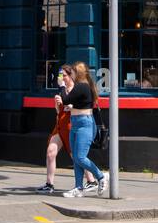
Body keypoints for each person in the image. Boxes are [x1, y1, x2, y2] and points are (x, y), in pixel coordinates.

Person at [37, 64, 97, 195]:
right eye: (60, 75)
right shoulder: (63, 90)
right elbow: (59, 111)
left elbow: (76, 105)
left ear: (71, 76)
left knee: (76, 156)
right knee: (50, 152)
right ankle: (49, 184)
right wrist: (57, 105)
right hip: (60, 124)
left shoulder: (77, 88)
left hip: (72, 125)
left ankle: (92, 180)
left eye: (64, 75)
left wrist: (68, 104)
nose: (61, 78)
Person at [55, 61, 109, 198]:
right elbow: (82, 103)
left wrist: (61, 86)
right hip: (76, 122)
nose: (70, 74)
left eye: (72, 72)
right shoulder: (83, 87)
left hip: (84, 124)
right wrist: (72, 107)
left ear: (76, 73)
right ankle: (78, 187)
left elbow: (66, 99)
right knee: (76, 158)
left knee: (80, 157)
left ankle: (101, 176)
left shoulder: (81, 86)